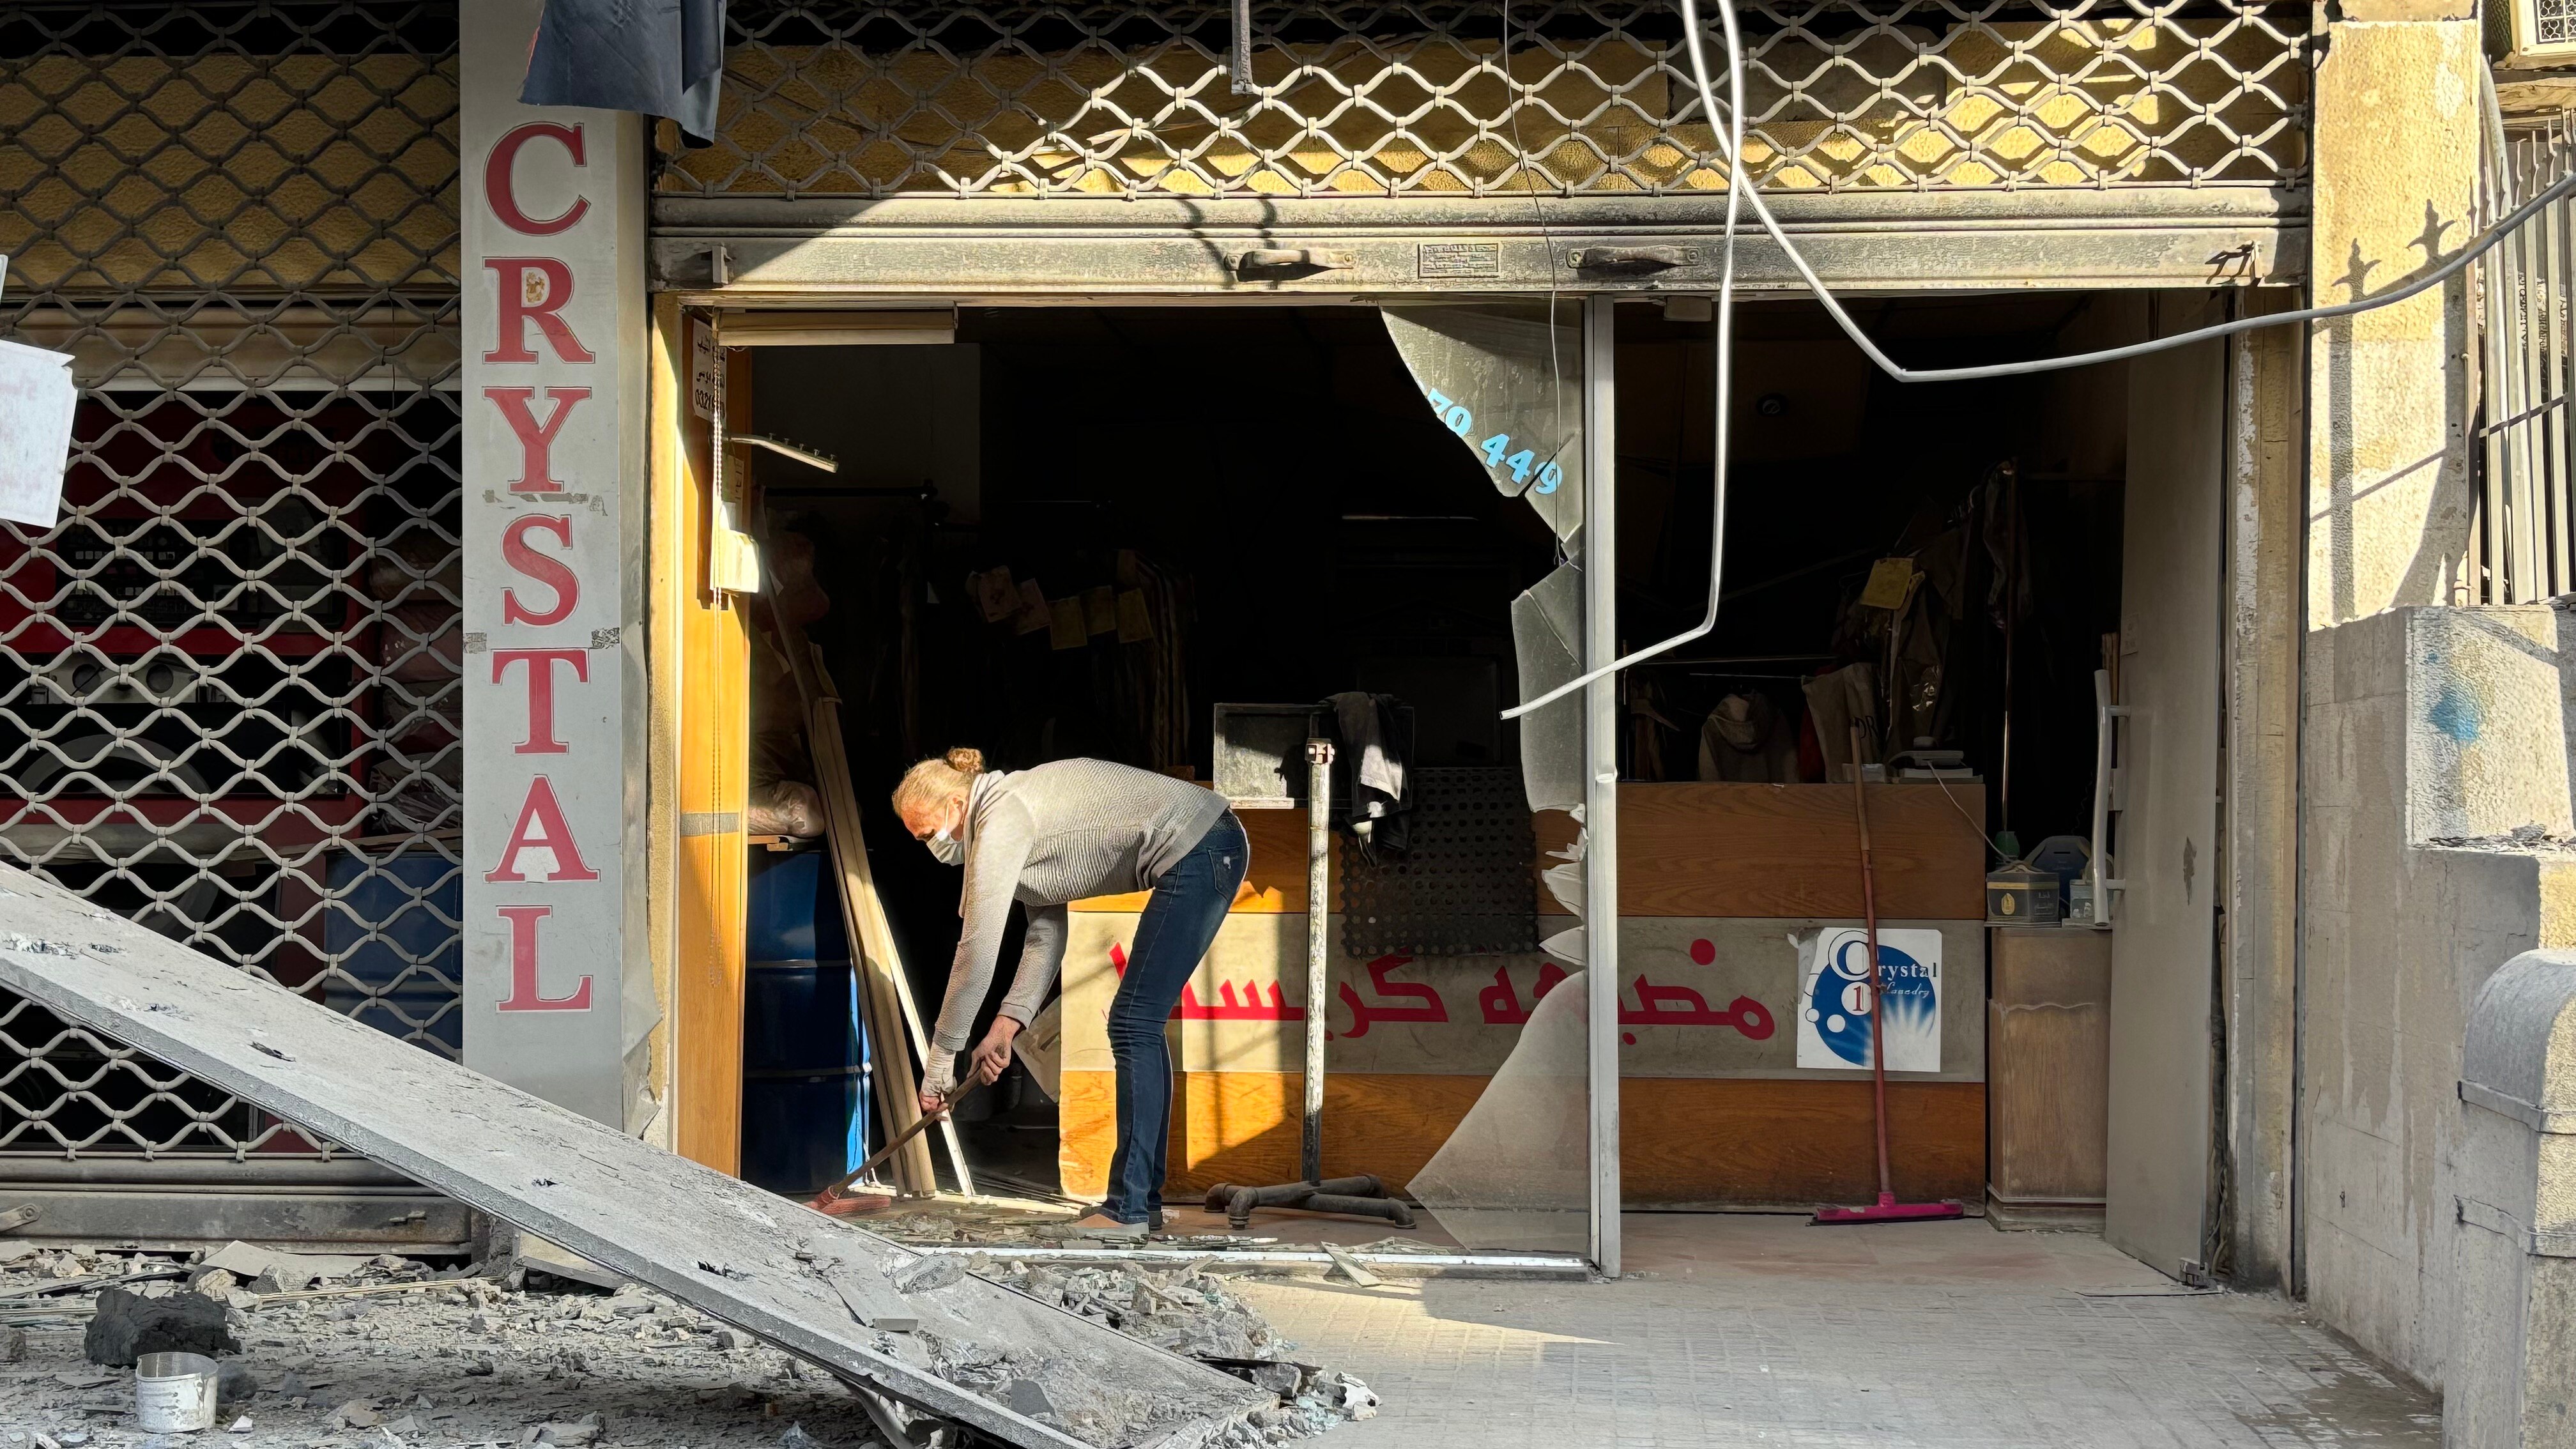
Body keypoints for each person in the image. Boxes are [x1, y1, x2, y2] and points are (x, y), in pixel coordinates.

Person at [893, 747, 1247, 1241]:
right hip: (1210, 846)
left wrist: (939, 1062)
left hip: (1201, 848)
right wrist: (1005, 1027)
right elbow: (1045, 933)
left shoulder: (1000, 820)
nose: (933, 847)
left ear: (956, 804)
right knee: (1137, 1023)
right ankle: (1142, 1202)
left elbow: (976, 950)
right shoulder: (1009, 809)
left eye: (929, 832)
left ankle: (1128, 1210)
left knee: (1132, 1023)